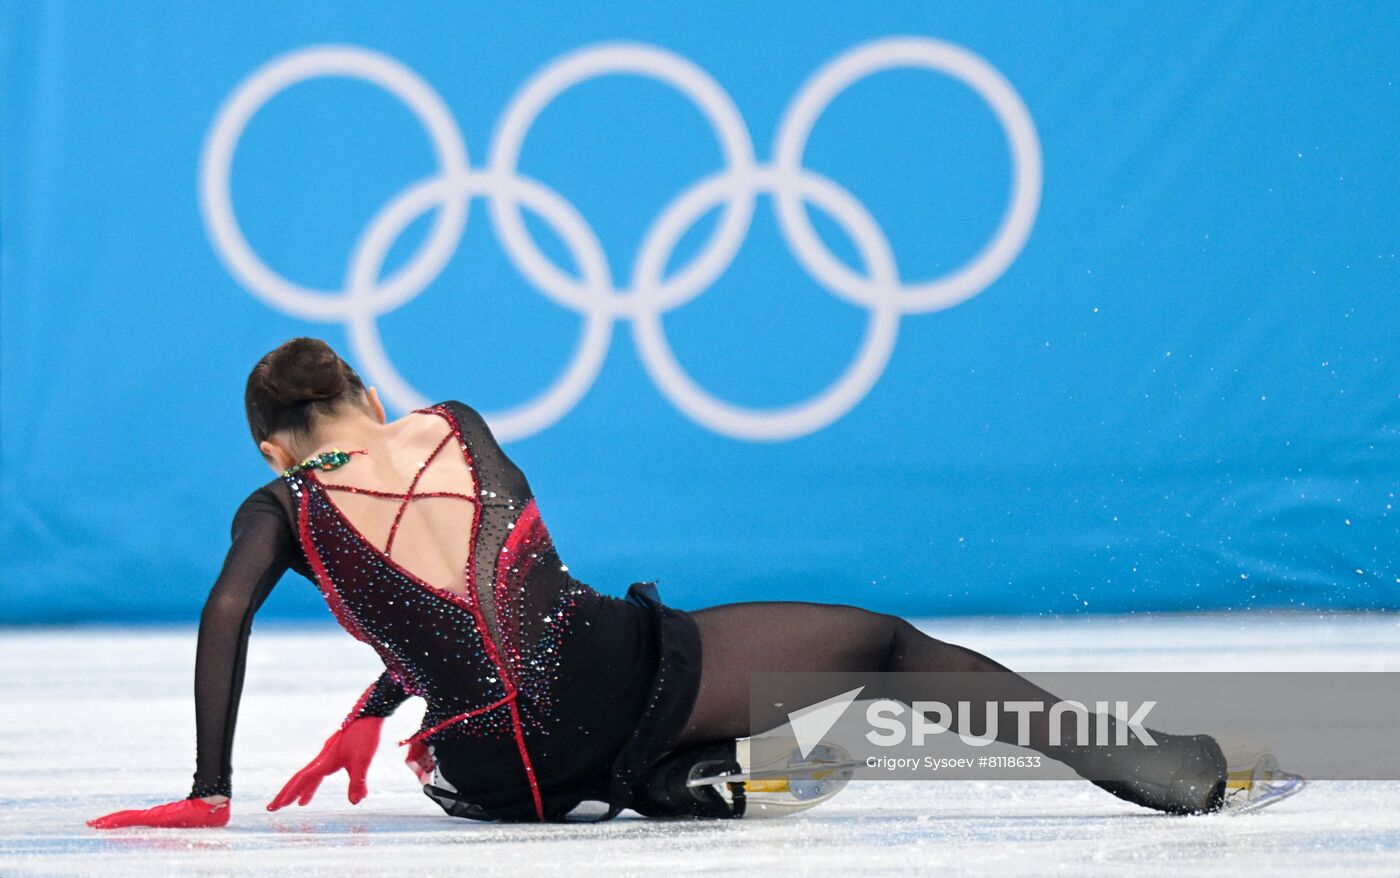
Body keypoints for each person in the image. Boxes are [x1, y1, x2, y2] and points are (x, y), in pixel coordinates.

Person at [88, 338, 1238, 830]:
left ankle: (661, 782)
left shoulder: (280, 506)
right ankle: (1152, 766)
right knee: (880, 647)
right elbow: (490, 593)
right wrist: (369, 703)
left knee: (482, 734)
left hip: (501, 768)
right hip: (616, 674)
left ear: (271, 446)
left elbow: (259, 607)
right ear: (371, 396)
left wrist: (211, 782)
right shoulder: (455, 422)